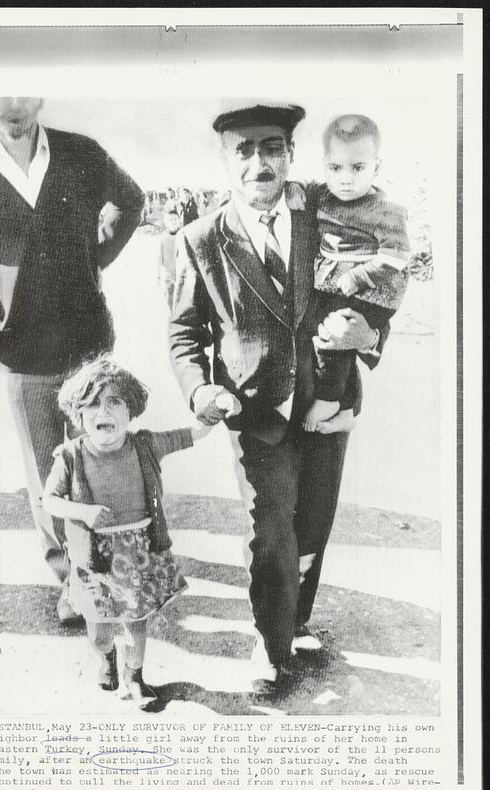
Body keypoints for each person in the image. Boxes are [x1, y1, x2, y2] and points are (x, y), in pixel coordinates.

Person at [169, 103, 386, 695]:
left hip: (329, 405)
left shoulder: (328, 218)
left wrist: (368, 335)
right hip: (256, 414)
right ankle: (272, 648)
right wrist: (201, 388)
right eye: (244, 150)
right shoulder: (200, 239)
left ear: (290, 154)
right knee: (271, 532)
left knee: (313, 525)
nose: (259, 163)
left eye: (271, 148)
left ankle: (298, 620)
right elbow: (185, 333)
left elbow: (378, 290)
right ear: (225, 160)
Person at [0, 97, 144, 622]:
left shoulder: (81, 153)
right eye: (2, 95)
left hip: (88, 346)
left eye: (25, 93)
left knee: (100, 460)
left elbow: (132, 201)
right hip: (23, 350)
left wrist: (94, 257)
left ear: (42, 96)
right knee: (48, 473)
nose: (14, 107)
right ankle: (72, 579)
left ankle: (111, 568)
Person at [42, 356, 225, 708]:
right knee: (99, 627)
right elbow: (49, 501)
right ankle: (106, 656)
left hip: (138, 552)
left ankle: (135, 676)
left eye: (114, 402)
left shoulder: (144, 445)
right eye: (92, 404)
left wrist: (215, 408)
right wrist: (84, 513)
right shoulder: (70, 456)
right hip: (94, 559)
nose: (103, 412)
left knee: (137, 621)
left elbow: (190, 434)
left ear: (130, 411)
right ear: (79, 417)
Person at [302, 114, 410, 433]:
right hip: (337, 283)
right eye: (336, 168)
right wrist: (296, 192)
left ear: (376, 167)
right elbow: (305, 189)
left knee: (333, 333)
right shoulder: (324, 196)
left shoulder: (385, 210)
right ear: (325, 166)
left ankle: (329, 397)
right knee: (332, 333)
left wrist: (359, 276)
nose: (345, 179)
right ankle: (346, 410)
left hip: (372, 288)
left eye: (357, 168)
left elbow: (397, 255)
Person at [157, 200, 183, 308]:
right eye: (170, 220)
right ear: (166, 222)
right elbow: (158, 259)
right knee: (169, 303)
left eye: (175, 219)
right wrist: (158, 276)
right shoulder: (162, 238)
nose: (173, 222)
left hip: (182, 276)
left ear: (179, 221)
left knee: (182, 303)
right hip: (168, 277)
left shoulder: (182, 236)